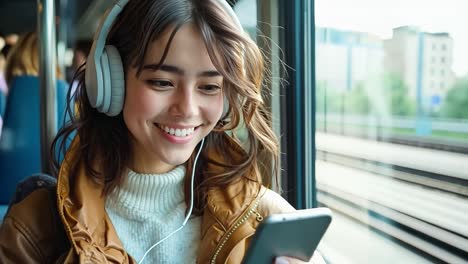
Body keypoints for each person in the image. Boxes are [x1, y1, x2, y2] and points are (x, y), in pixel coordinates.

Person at [0, 0, 325, 263]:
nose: (186, 108)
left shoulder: (264, 218)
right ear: (110, 83)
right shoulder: (34, 229)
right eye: (162, 82)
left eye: (209, 87)